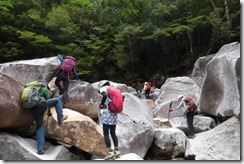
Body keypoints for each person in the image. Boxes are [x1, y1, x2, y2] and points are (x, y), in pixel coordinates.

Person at [29, 80, 68, 155]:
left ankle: (41, 149)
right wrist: (49, 113)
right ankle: (60, 118)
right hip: (41, 106)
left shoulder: (33, 90)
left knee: (40, 127)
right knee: (57, 100)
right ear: (46, 85)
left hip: (33, 110)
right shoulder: (44, 89)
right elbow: (47, 101)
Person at [98, 81, 121, 160]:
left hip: (107, 114)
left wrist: (101, 104)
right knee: (113, 133)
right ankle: (117, 151)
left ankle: (110, 152)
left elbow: (104, 96)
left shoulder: (103, 89)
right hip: (114, 113)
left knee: (106, 134)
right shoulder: (113, 90)